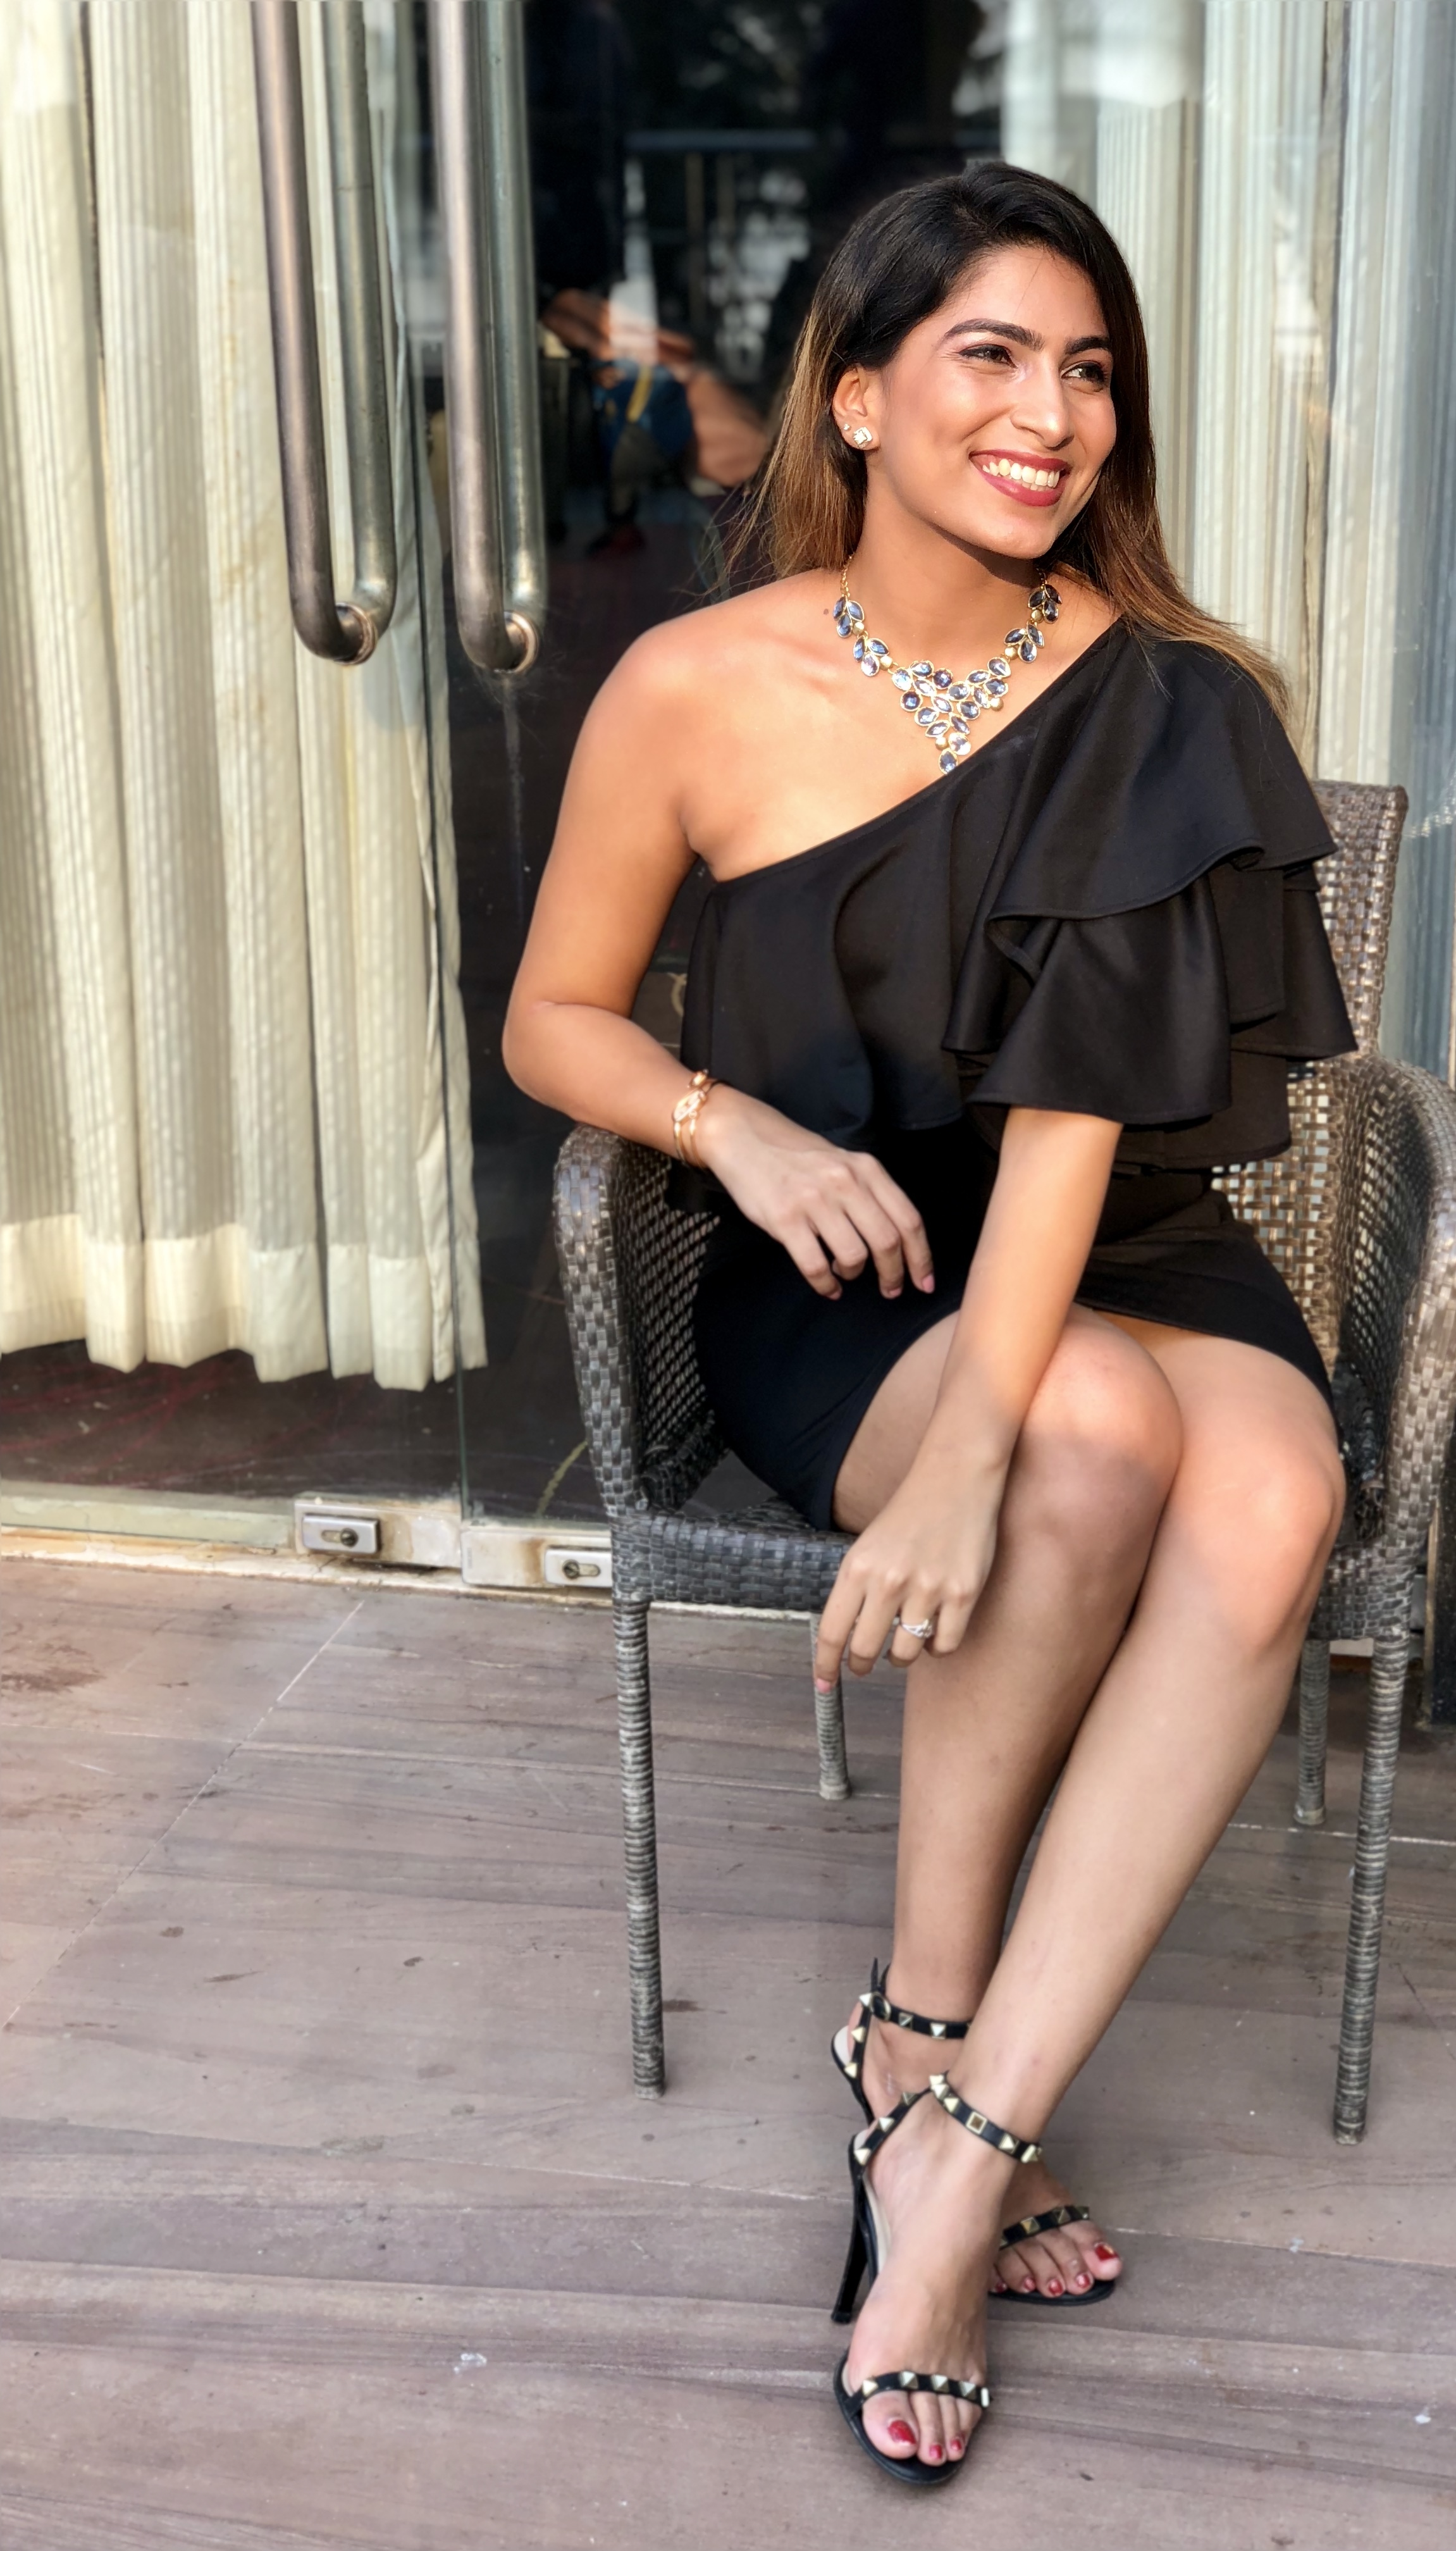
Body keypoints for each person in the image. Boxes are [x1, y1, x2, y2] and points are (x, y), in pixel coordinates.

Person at [503, 164, 1353, 2489]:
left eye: (1090, 371)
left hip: (1117, 1230)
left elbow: (1076, 1130)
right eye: (992, 355)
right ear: (860, 396)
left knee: (1266, 1500)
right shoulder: (693, 684)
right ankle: (931, 2034)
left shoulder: (1165, 702)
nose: (1050, 414)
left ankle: (956, 2135)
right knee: (1086, 1433)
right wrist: (737, 1131)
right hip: (844, 1271)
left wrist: (968, 1454)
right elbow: (556, 1017)